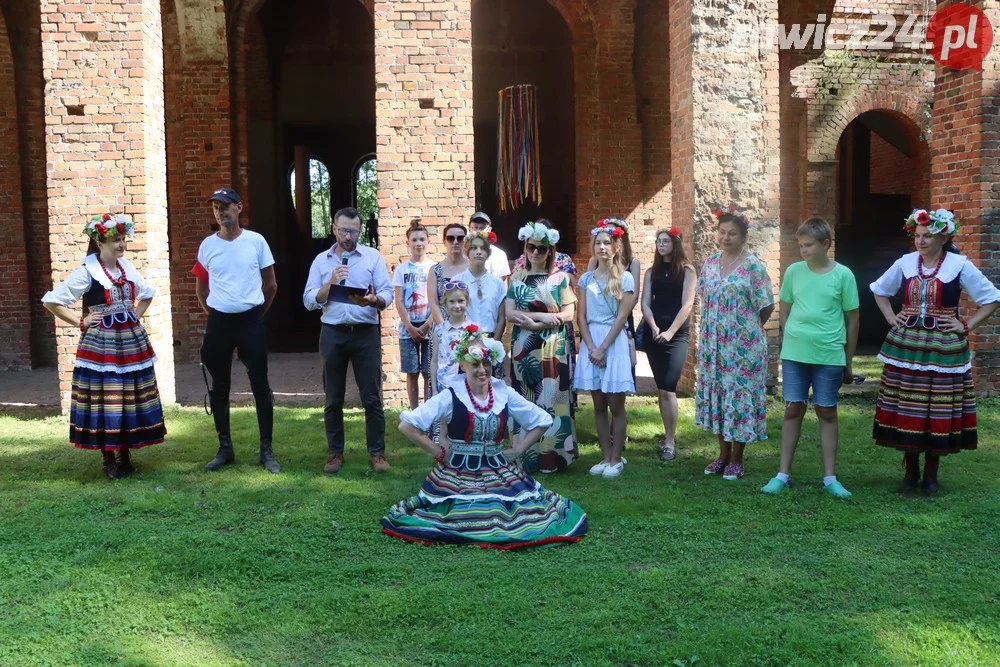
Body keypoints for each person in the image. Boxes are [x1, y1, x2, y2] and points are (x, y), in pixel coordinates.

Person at [383, 329, 588, 548]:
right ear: (462, 365)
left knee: (510, 509)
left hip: (498, 469)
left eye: (487, 364)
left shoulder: (502, 392)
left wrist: (518, 450)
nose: (482, 370)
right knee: (469, 512)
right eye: (475, 364)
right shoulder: (451, 394)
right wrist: (438, 452)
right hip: (458, 473)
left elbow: (543, 420)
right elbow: (407, 425)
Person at [870, 208, 999, 495]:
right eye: (917, 235)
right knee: (909, 403)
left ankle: (930, 475)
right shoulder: (905, 263)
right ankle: (910, 471)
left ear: (943, 237)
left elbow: (991, 299)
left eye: (927, 236)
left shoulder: (959, 265)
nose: (921, 241)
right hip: (907, 347)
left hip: (943, 348)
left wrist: (965, 325)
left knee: (937, 407)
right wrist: (892, 317)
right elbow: (880, 290)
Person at [42, 214, 166, 479]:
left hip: (130, 342)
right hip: (101, 345)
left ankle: (124, 452)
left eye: (122, 239)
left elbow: (147, 293)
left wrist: (133, 315)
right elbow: (52, 301)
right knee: (105, 397)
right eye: (115, 240)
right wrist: (81, 320)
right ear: (100, 242)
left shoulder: (126, 268)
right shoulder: (87, 271)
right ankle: (108, 457)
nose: (121, 245)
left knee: (129, 395)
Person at [761, 217, 859, 498]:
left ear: (825, 244)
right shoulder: (793, 272)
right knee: (793, 408)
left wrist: (848, 360)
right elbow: (786, 309)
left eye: (809, 245)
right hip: (795, 353)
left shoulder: (844, 275)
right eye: (800, 245)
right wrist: (792, 337)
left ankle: (830, 478)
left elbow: (853, 320)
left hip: (829, 353)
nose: (803, 250)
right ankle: (782, 474)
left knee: (826, 410)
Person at [304, 206, 393, 474]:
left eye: (353, 231)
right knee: (333, 397)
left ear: (360, 231)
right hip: (333, 333)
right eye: (343, 230)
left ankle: (377, 453)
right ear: (334, 228)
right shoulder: (321, 261)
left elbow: (387, 293)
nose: (348, 236)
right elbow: (309, 301)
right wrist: (330, 283)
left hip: (364, 333)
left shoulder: (372, 257)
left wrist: (373, 299)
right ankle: (335, 453)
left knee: (372, 396)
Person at [195, 188, 279, 474]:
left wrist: (256, 315)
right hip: (219, 322)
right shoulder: (207, 245)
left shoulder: (256, 242)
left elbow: (271, 285)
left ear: (239, 207)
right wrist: (215, 314)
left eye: (226, 206)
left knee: (260, 385)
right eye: (216, 207)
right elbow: (201, 287)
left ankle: (266, 450)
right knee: (219, 386)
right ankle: (225, 447)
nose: (220, 211)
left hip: (250, 320)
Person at [695, 205, 774, 481]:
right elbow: (704, 300)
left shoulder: (753, 266)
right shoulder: (709, 263)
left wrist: (745, 329)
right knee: (719, 396)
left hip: (744, 347)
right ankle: (722, 455)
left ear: (743, 237)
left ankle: (737, 458)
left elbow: (766, 306)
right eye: (722, 232)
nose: (726, 237)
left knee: (738, 399)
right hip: (714, 345)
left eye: (732, 234)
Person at [506, 221, 578, 473]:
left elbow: (569, 312)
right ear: (525, 249)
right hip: (524, 345)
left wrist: (541, 321)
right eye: (531, 247)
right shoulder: (517, 277)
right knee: (526, 398)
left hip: (553, 347)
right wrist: (541, 320)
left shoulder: (559, 279)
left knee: (552, 399)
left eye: (541, 248)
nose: (535, 252)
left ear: (550, 252)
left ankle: (552, 459)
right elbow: (509, 312)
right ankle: (524, 457)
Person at [576, 221, 636, 478]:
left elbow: (622, 316)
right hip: (591, 341)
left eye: (606, 243)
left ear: (615, 247)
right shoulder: (585, 278)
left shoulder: (625, 277)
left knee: (616, 404)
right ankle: (603, 455)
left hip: (612, 341)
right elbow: (581, 316)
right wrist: (591, 347)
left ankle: (616, 458)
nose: (601, 247)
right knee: (598, 404)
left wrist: (602, 348)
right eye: (597, 243)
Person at [640, 228, 696, 461]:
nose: (661, 245)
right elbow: (645, 303)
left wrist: (671, 332)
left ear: (675, 244)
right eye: (658, 241)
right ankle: (666, 435)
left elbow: (687, 305)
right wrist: (653, 328)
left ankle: (671, 442)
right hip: (655, 334)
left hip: (676, 335)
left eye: (665, 241)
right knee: (661, 388)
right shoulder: (651, 271)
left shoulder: (687, 271)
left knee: (669, 388)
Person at [393, 219, 435, 409]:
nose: (418, 243)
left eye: (422, 239)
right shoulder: (401, 270)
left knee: (428, 371)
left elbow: (438, 301)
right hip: (407, 329)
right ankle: (414, 411)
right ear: (407, 242)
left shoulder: (435, 268)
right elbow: (399, 299)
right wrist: (409, 326)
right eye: (414, 240)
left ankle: (426, 411)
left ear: (428, 241)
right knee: (412, 371)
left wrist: (426, 325)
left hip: (430, 326)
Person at [453, 230, 506, 376]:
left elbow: (502, 318)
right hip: (466, 340)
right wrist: (465, 343)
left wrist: (493, 345)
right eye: (474, 248)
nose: (478, 252)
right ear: (467, 252)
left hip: (491, 338)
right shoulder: (458, 281)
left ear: (488, 253)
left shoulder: (497, 283)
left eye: (482, 248)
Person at [427, 222, 470, 325]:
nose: (455, 242)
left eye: (460, 238)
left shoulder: (472, 268)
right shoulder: (435, 270)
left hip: (468, 328)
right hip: (441, 326)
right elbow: (433, 304)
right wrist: (445, 328)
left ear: (465, 241)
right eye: (450, 238)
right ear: (444, 241)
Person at [469, 211, 511, 282]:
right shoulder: (464, 254)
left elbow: (503, 283)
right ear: (469, 229)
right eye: (475, 227)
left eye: (482, 228)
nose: (479, 231)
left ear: (489, 229)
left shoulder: (500, 254)